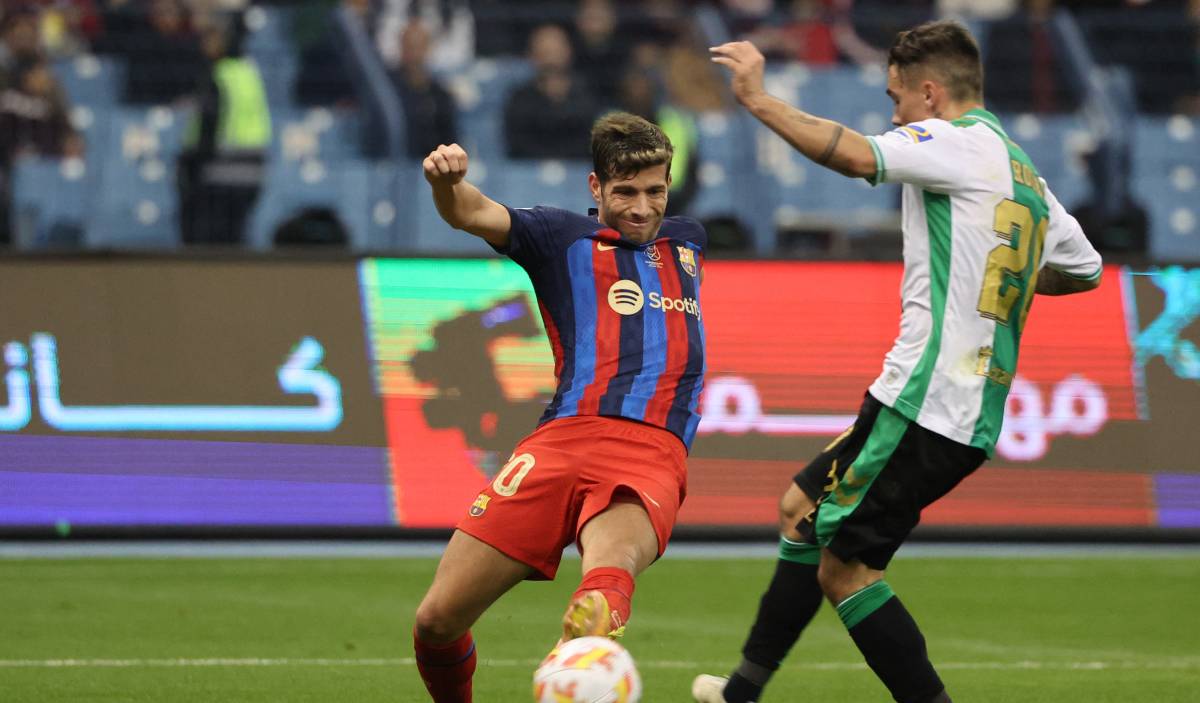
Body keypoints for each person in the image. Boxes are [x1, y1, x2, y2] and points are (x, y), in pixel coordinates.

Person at [695, 21, 1103, 703]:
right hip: (948, 404)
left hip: (927, 401)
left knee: (845, 571)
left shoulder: (951, 140)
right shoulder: (1021, 168)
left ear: (932, 93)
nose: (893, 116)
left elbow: (856, 156)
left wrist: (758, 100)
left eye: (897, 98)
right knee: (801, 507)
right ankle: (741, 690)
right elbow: (1085, 268)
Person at [414, 111, 708, 702]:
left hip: (650, 447)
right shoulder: (559, 237)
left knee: (603, 586)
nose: (642, 208)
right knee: (435, 623)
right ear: (595, 187)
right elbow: (471, 212)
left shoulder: (689, 241)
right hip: (560, 441)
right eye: (625, 192)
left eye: (656, 191)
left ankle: (586, 664)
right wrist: (447, 183)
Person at [502, 23, 600, 159]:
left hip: (578, 170)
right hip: (530, 172)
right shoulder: (519, 98)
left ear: (568, 52)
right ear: (531, 56)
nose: (551, 60)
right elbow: (517, 144)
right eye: (544, 53)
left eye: (556, 52)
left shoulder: (587, 94)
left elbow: (590, 139)